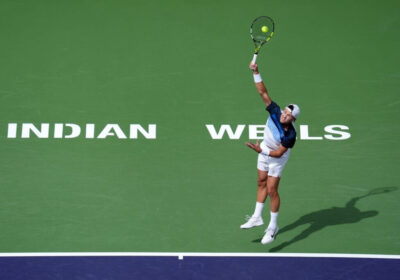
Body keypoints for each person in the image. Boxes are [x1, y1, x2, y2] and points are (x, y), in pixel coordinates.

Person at [240, 61, 300, 245]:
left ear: (292, 119)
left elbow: (278, 153)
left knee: (272, 189)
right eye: (284, 111)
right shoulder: (274, 112)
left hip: (276, 156)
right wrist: (256, 73)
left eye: (288, 115)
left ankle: (273, 227)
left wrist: (261, 150)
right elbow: (263, 92)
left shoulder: (290, 135)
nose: (284, 115)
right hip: (264, 150)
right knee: (261, 182)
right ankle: (257, 216)